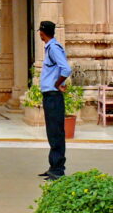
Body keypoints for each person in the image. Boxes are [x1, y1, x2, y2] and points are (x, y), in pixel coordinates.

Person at [38, 21, 72, 181]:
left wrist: (57, 84)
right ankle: (53, 166)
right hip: (49, 95)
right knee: (52, 132)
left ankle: (58, 169)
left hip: (53, 95)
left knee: (56, 132)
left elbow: (66, 69)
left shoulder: (53, 48)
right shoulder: (50, 48)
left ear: (42, 33)